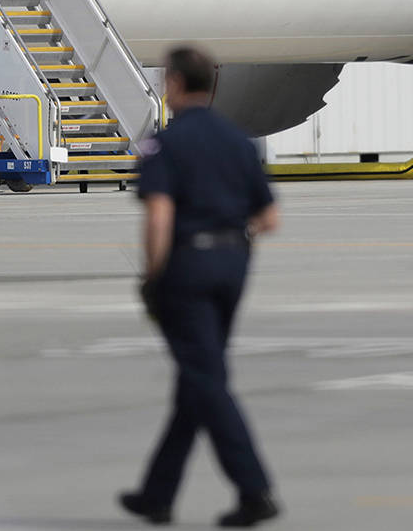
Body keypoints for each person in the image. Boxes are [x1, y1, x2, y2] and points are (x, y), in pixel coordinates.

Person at [119, 46, 281, 528]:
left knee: (206, 380)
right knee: (200, 375)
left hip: (188, 265)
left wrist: (153, 275)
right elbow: (269, 219)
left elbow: (160, 214)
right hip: (235, 263)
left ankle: (255, 490)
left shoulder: (167, 143)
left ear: (172, 84)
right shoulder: (238, 141)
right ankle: (157, 495)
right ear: (210, 85)